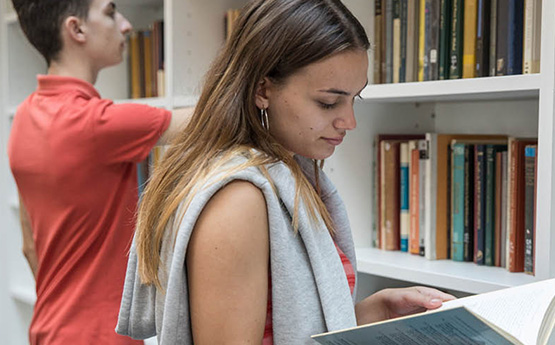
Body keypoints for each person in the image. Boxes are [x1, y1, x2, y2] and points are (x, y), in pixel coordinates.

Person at [116, 0, 455, 344]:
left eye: (355, 99)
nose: (349, 121)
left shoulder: (287, 173)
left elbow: (279, 327)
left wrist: (373, 313)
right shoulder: (238, 199)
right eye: (328, 102)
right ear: (263, 90)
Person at [7, 0, 192, 344]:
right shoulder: (96, 123)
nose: (124, 25)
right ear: (76, 29)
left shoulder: (24, 119)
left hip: (49, 328)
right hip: (101, 336)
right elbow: (210, 123)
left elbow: (29, 247)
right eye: (110, 12)